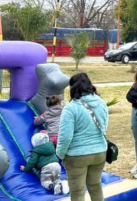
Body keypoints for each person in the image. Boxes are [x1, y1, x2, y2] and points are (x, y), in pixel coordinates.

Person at [56, 73, 108, 201]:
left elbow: (65, 137)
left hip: (77, 155)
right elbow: (104, 126)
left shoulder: (71, 108)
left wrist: (60, 154)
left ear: (72, 87)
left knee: (78, 192)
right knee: (96, 187)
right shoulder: (101, 103)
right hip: (99, 152)